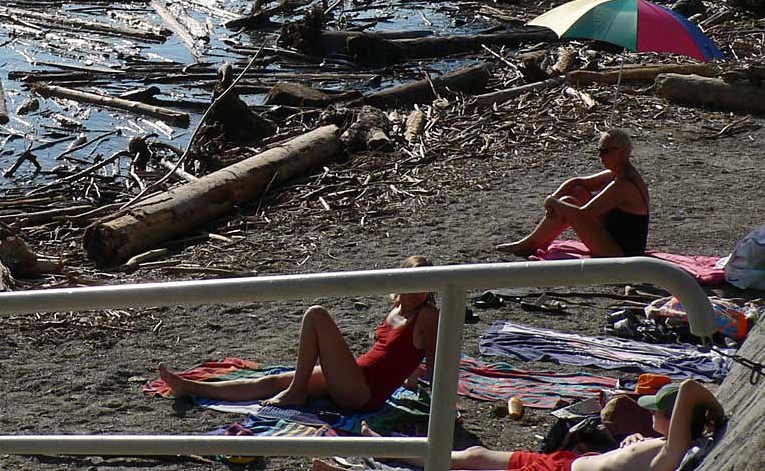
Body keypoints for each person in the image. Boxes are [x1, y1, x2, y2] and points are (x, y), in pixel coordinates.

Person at [157, 255, 439, 411]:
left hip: (363, 392)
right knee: (274, 380)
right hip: (356, 375)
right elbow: (404, 357)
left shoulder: (427, 315)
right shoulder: (397, 310)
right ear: (401, 280)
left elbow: (437, 360)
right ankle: (190, 388)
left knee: (316, 314)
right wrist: (410, 381)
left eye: (424, 286)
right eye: (413, 283)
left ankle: (295, 393)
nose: (417, 292)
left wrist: (442, 409)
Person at [312, 379, 724, 471]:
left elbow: (690, 390)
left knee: (467, 462)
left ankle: (387, 451)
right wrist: (630, 444)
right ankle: (392, 449)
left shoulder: (672, 451)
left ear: (677, 419)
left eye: (659, 409)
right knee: (474, 456)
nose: (648, 412)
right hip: (563, 463)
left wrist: (705, 405)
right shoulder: (667, 443)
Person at [496, 128, 649, 257]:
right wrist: (553, 197)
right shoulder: (619, 173)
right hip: (614, 238)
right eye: (599, 151)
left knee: (567, 204)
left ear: (622, 152)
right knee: (576, 192)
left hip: (623, 254)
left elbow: (585, 213)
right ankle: (530, 243)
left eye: (605, 151)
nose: (600, 156)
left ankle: (527, 245)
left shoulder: (624, 184)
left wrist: (555, 204)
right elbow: (577, 182)